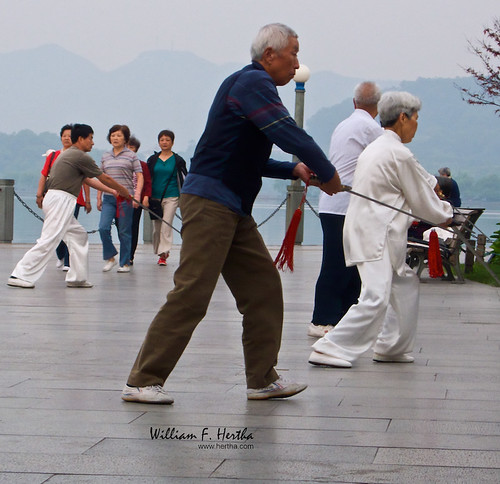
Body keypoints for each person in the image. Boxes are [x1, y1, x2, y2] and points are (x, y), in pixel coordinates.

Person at [122, 23, 341, 404]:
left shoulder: (253, 87)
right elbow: (289, 132)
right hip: (210, 204)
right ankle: (143, 380)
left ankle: (261, 378)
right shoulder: (252, 83)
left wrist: (293, 169)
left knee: (263, 290)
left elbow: (241, 153)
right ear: (269, 55)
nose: (297, 62)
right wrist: (328, 172)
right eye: (293, 52)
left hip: (233, 207)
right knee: (192, 292)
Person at [309, 91, 453, 368]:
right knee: (375, 296)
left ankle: (391, 346)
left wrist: (434, 195)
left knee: (403, 284)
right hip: (377, 233)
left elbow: (419, 180)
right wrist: (445, 215)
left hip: (372, 229)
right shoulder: (397, 153)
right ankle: (330, 347)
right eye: (416, 118)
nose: (417, 124)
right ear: (403, 117)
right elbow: (422, 199)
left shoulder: (379, 148)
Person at [7, 124, 130, 289]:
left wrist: (114, 192)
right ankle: (20, 274)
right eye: (90, 138)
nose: (92, 143)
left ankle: (77, 278)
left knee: (79, 236)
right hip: (60, 200)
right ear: (80, 139)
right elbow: (104, 177)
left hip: (58, 198)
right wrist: (123, 191)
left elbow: (87, 180)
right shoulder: (79, 156)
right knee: (49, 239)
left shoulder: (70, 155)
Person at [308, 82, 384, 338]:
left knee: (350, 265)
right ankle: (322, 319)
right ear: (378, 106)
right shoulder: (370, 128)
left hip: (334, 204)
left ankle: (344, 316)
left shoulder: (345, 124)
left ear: (354, 102)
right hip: (345, 206)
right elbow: (387, 161)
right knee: (339, 264)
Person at [36, 124, 92, 271]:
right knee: (57, 233)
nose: (67, 138)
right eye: (64, 135)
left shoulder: (79, 156)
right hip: (57, 199)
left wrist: (88, 199)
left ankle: (70, 264)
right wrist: (39, 194)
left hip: (73, 199)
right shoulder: (54, 155)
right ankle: (60, 257)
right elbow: (44, 175)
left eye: (69, 135)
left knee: (74, 233)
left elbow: (86, 179)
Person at [97, 125, 143, 273]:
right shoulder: (105, 156)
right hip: (109, 198)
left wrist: (137, 195)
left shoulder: (131, 156)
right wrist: (98, 197)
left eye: (118, 135)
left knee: (124, 231)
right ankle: (110, 257)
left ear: (125, 138)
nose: (115, 138)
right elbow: (101, 177)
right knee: (103, 227)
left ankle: (124, 263)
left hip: (125, 198)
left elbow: (140, 176)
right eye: (113, 135)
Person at [146, 130, 187, 266]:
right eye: (162, 140)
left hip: (172, 195)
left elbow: (184, 178)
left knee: (166, 225)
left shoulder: (178, 160)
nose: (164, 142)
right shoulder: (152, 160)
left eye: (167, 140)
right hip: (155, 197)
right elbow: (147, 178)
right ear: (159, 142)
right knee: (156, 227)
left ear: (172, 142)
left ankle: (164, 254)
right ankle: (160, 250)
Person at [126, 136, 152, 265]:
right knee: (123, 227)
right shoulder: (120, 164)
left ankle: (130, 255)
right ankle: (125, 252)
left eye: (132, 148)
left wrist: (146, 197)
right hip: (122, 201)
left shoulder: (142, 165)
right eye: (127, 147)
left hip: (137, 201)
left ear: (136, 149)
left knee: (133, 227)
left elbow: (147, 182)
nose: (129, 150)